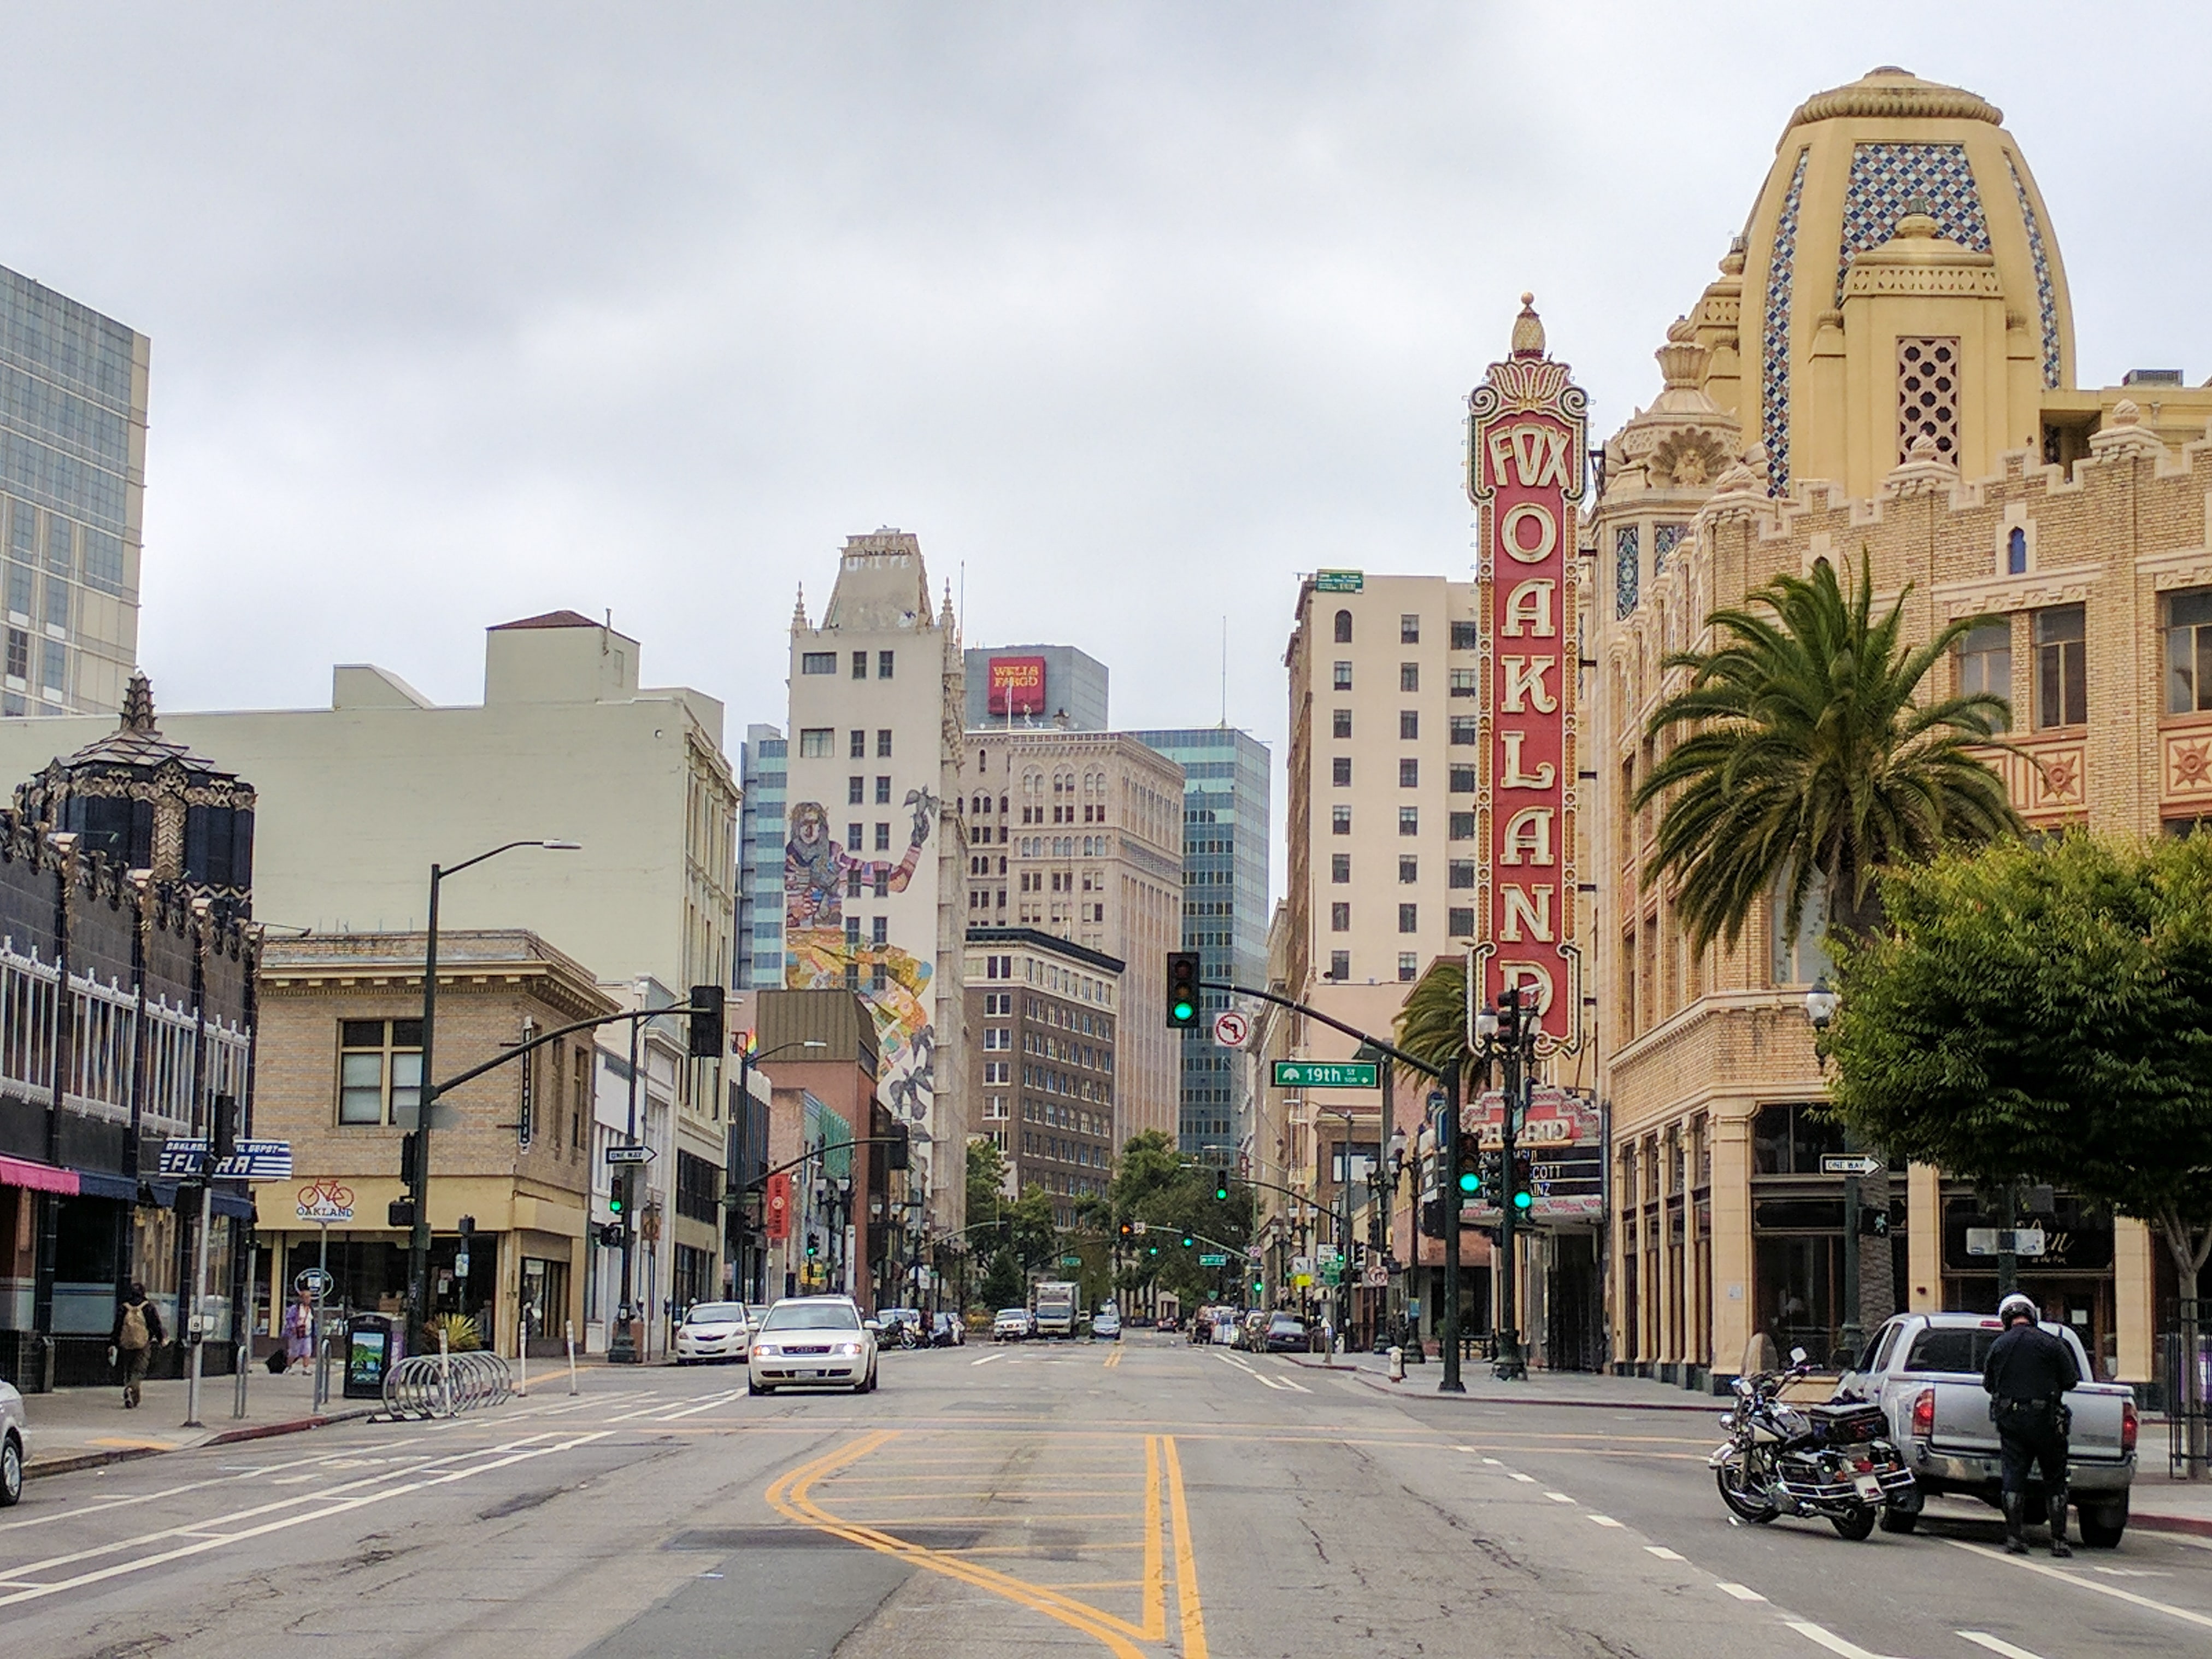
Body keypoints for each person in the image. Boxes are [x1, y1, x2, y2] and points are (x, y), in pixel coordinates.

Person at [1982, 1291, 2080, 1557]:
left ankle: (2015, 1538)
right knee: (2055, 1479)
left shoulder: (1999, 1346)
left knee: (2013, 1477)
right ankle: (2059, 1541)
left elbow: (1989, 1385)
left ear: (2006, 1318)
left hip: (2012, 1421)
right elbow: (2071, 1381)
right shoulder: (2052, 1343)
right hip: (2047, 1420)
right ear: (2032, 1315)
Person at [109, 1283, 165, 1409]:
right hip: (142, 1343)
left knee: (128, 1369)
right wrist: (161, 1339)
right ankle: (131, 1389)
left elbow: (117, 1326)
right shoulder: (148, 1307)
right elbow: (155, 1325)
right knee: (139, 1370)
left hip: (126, 1343)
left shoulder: (124, 1307)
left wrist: (113, 1343)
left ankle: (133, 1398)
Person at [283, 1290, 316, 1374]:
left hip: (307, 1333)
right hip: (297, 1333)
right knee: (294, 1351)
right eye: (306, 1297)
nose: (308, 1299)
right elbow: (289, 1318)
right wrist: (293, 1327)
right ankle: (289, 1367)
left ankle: (306, 1368)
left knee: (307, 1351)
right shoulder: (296, 1308)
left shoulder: (310, 1308)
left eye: (309, 1297)